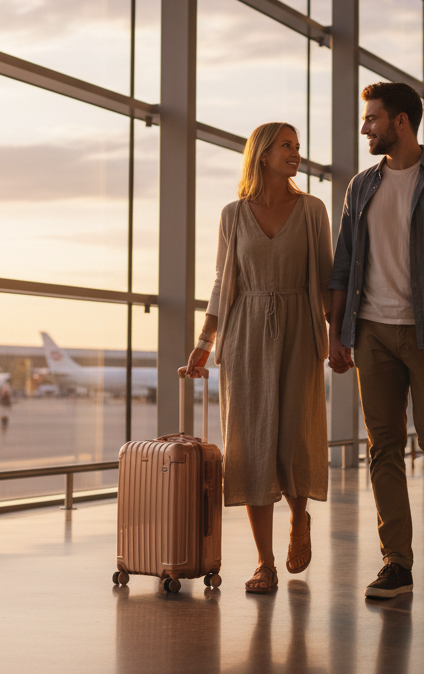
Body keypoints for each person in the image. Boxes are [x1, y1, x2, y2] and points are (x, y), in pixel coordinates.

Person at [328, 82, 424, 599]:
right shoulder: (360, 187)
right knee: (384, 447)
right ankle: (397, 561)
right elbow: (344, 265)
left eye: (372, 118)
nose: (365, 127)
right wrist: (337, 333)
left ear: (401, 122)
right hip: (371, 331)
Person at [181, 122, 333, 594]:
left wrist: (341, 338)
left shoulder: (312, 210)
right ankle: (264, 563)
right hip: (245, 334)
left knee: (294, 437)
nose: (295, 153)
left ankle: (299, 517)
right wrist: (205, 342)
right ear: (263, 154)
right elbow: (222, 282)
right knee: (249, 445)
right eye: (286, 146)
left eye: (297, 147)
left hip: (298, 332)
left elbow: (327, 280)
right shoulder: (232, 214)